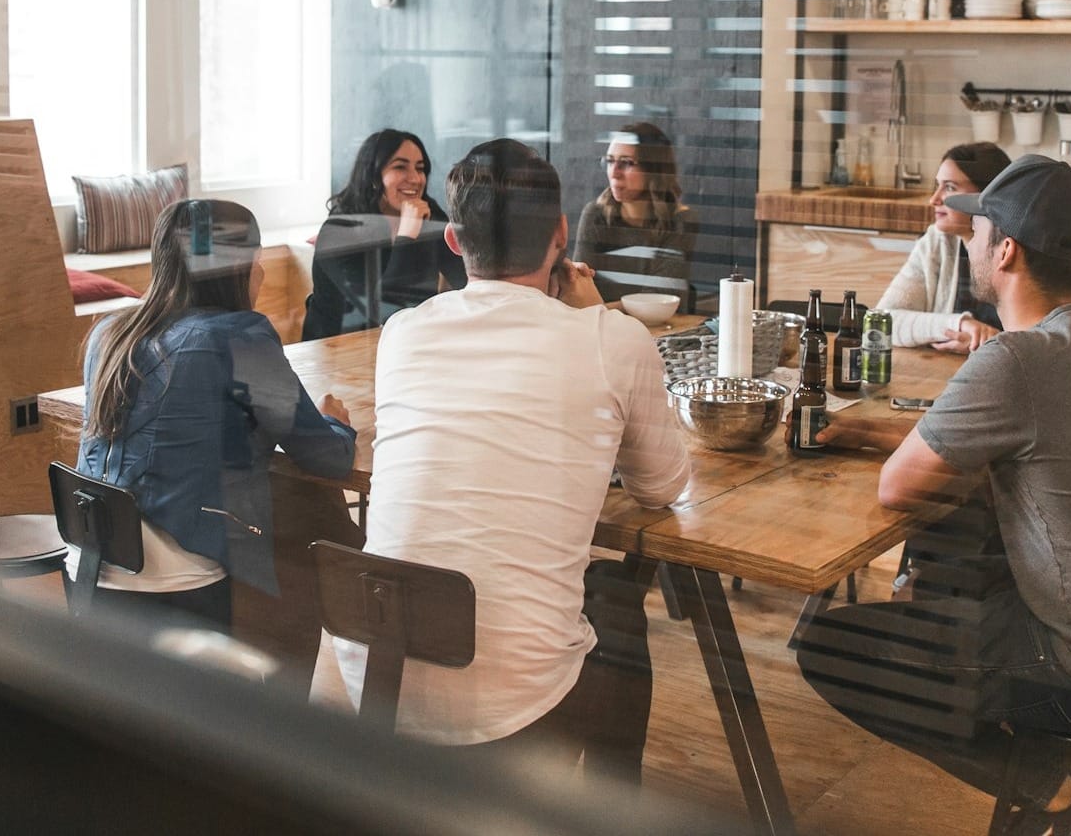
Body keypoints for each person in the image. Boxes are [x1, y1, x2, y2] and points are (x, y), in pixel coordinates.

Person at [796, 156, 1071, 836]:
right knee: (955, 571)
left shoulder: (1016, 359)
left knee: (833, 648)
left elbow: (898, 486)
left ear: (1006, 250)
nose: (970, 238)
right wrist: (862, 429)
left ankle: (1059, 794)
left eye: (979, 227)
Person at [334, 138, 691, 783]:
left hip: (375, 679)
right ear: (562, 234)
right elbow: (662, 486)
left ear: (452, 240)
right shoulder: (613, 339)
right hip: (514, 708)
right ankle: (614, 805)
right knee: (617, 608)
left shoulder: (403, 333)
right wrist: (595, 316)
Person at [77, 199, 358, 634]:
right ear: (238, 267)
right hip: (178, 578)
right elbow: (327, 458)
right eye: (257, 261)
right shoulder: (239, 338)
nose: (261, 273)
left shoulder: (109, 334)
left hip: (92, 565)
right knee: (308, 524)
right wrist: (336, 422)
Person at [301, 129, 467, 341]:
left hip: (408, 340)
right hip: (337, 348)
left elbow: (466, 278)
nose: (415, 178)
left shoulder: (428, 214)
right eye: (400, 167)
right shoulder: (338, 231)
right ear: (373, 176)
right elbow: (386, 311)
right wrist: (407, 236)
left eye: (420, 168)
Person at [875, 141, 1010, 354]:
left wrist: (984, 344)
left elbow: (1040, 340)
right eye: (937, 185)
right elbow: (881, 322)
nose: (934, 199)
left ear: (986, 196)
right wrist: (961, 325)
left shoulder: (1017, 250)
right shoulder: (936, 242)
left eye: (949, 187)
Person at [571, 121, 699, 309]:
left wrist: (598, 309)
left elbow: (659, 298)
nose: (614, 173)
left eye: (626, 163)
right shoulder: (596, 215)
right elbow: (578, 288)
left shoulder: (680, 220)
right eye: (610, 161)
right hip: (601, 324)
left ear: (653, 170)